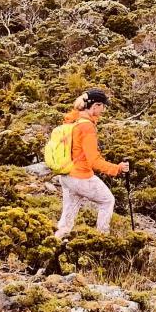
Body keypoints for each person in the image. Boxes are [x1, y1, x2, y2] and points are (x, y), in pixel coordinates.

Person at [56, 88, 129, 236]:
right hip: (81, 177)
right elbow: (94, 161)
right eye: (103, 106)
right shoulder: (87, 127)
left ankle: (57, 242)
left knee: (67, 217)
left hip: (66, 175)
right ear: (95, 105)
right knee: (107, 201)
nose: (103, 109)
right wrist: (117, 168)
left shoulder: (74, 119)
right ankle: (102, 238)